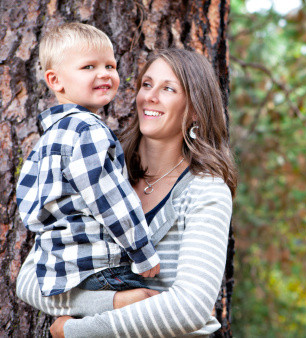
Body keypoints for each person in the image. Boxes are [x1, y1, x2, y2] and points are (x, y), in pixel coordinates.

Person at [16, 48, 237, 337]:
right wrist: (118, 300)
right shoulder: (96, 166)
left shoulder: (204, 190)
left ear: (195, 108)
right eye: (147, 84)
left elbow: (189, 308)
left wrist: (76, 330)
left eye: (168, 88)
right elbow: (30, 282)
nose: (150, 97)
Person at [16, 22, 161, 298]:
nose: (104, 74)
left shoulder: (47, 140)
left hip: (63, 271)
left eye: (110, 66)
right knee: (163, 314)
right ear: (55, 80)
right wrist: (142, 252)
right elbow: (109, 198)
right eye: (89, 67)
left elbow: (30, 205)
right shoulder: (88, 131)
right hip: (102, 266)